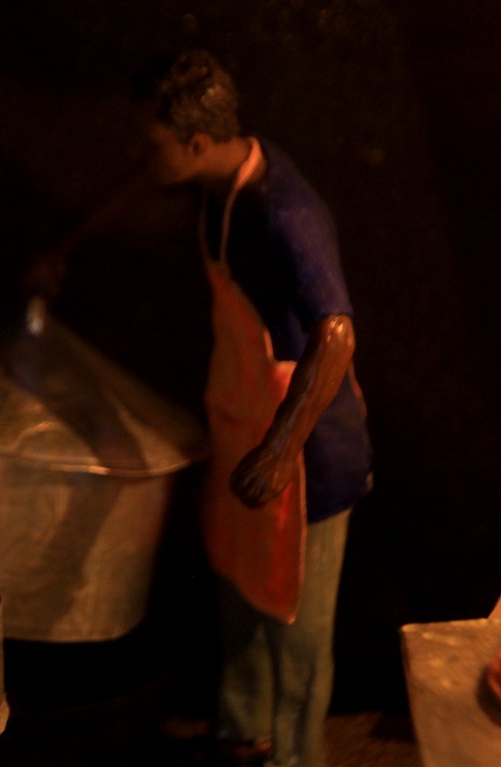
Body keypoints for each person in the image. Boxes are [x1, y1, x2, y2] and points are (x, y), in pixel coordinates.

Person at [128, 50, 374, 767]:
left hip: (305, 454)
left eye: (150, 145)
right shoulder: (211, 181)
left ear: (196, 144)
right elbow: (134, 186)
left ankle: (298, 757)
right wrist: (66, 245)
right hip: (240, 420)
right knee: (239, 592)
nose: (141, 157)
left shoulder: (284, 210)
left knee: (296, 633)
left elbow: (335, 331)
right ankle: (243, 731)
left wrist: (279, 447)